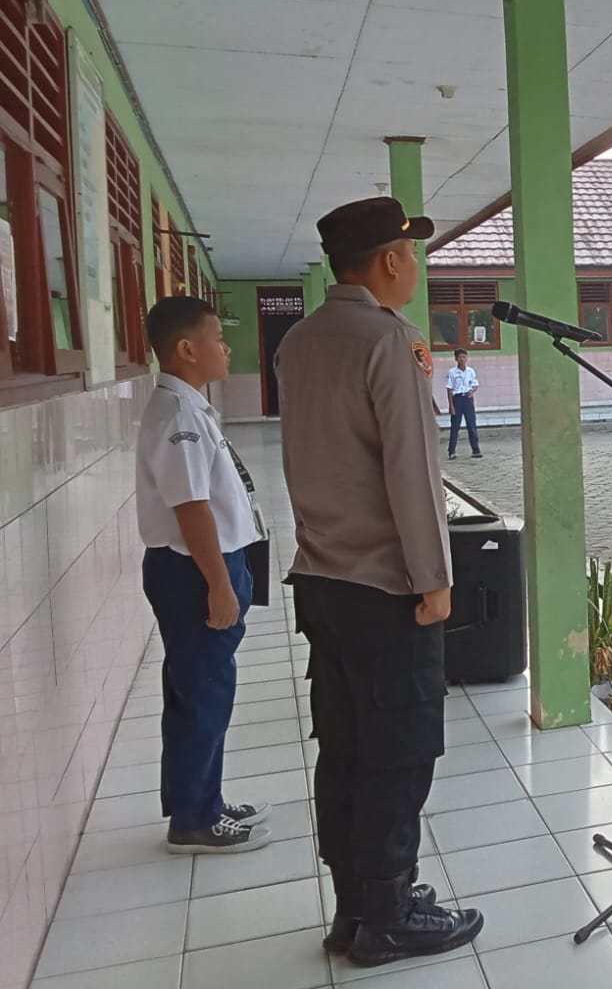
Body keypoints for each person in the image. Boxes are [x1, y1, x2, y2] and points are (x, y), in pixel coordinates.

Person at [276, 196, 483, 966]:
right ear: (390, 260)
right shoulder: (389, 339)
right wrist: (435, 577)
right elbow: (412, 471)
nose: (416, 267)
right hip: (386, 588)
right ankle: (389, 914)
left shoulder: (298, 341)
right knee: (399, 750)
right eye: (412, 254)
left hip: (322, 581)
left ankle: (355, 909)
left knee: (345, 747)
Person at [135, 295, 269, 855]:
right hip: (193, 570)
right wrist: (219, 584)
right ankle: (194, 819)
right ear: (187, 349)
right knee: (203, 693)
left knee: (198, 687)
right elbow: (191, 509)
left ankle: (200, 801)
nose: (226, 348)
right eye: (217, 339)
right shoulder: (179, 417)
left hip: (201, 565)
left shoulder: (187, 406)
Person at [444, 349, 481, 460]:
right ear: (456, 359)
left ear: (467, 358)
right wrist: (451, 405)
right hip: (457, 399)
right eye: (459, 357)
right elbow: (449, 389)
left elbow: (475, 384)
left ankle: (476, 450)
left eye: (464, 357)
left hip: (468, 399)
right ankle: (452, 451)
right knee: (455, 426)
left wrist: (472, 391)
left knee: (471, 425)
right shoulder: (452, 372)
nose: (462, 359)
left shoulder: (471, 371)